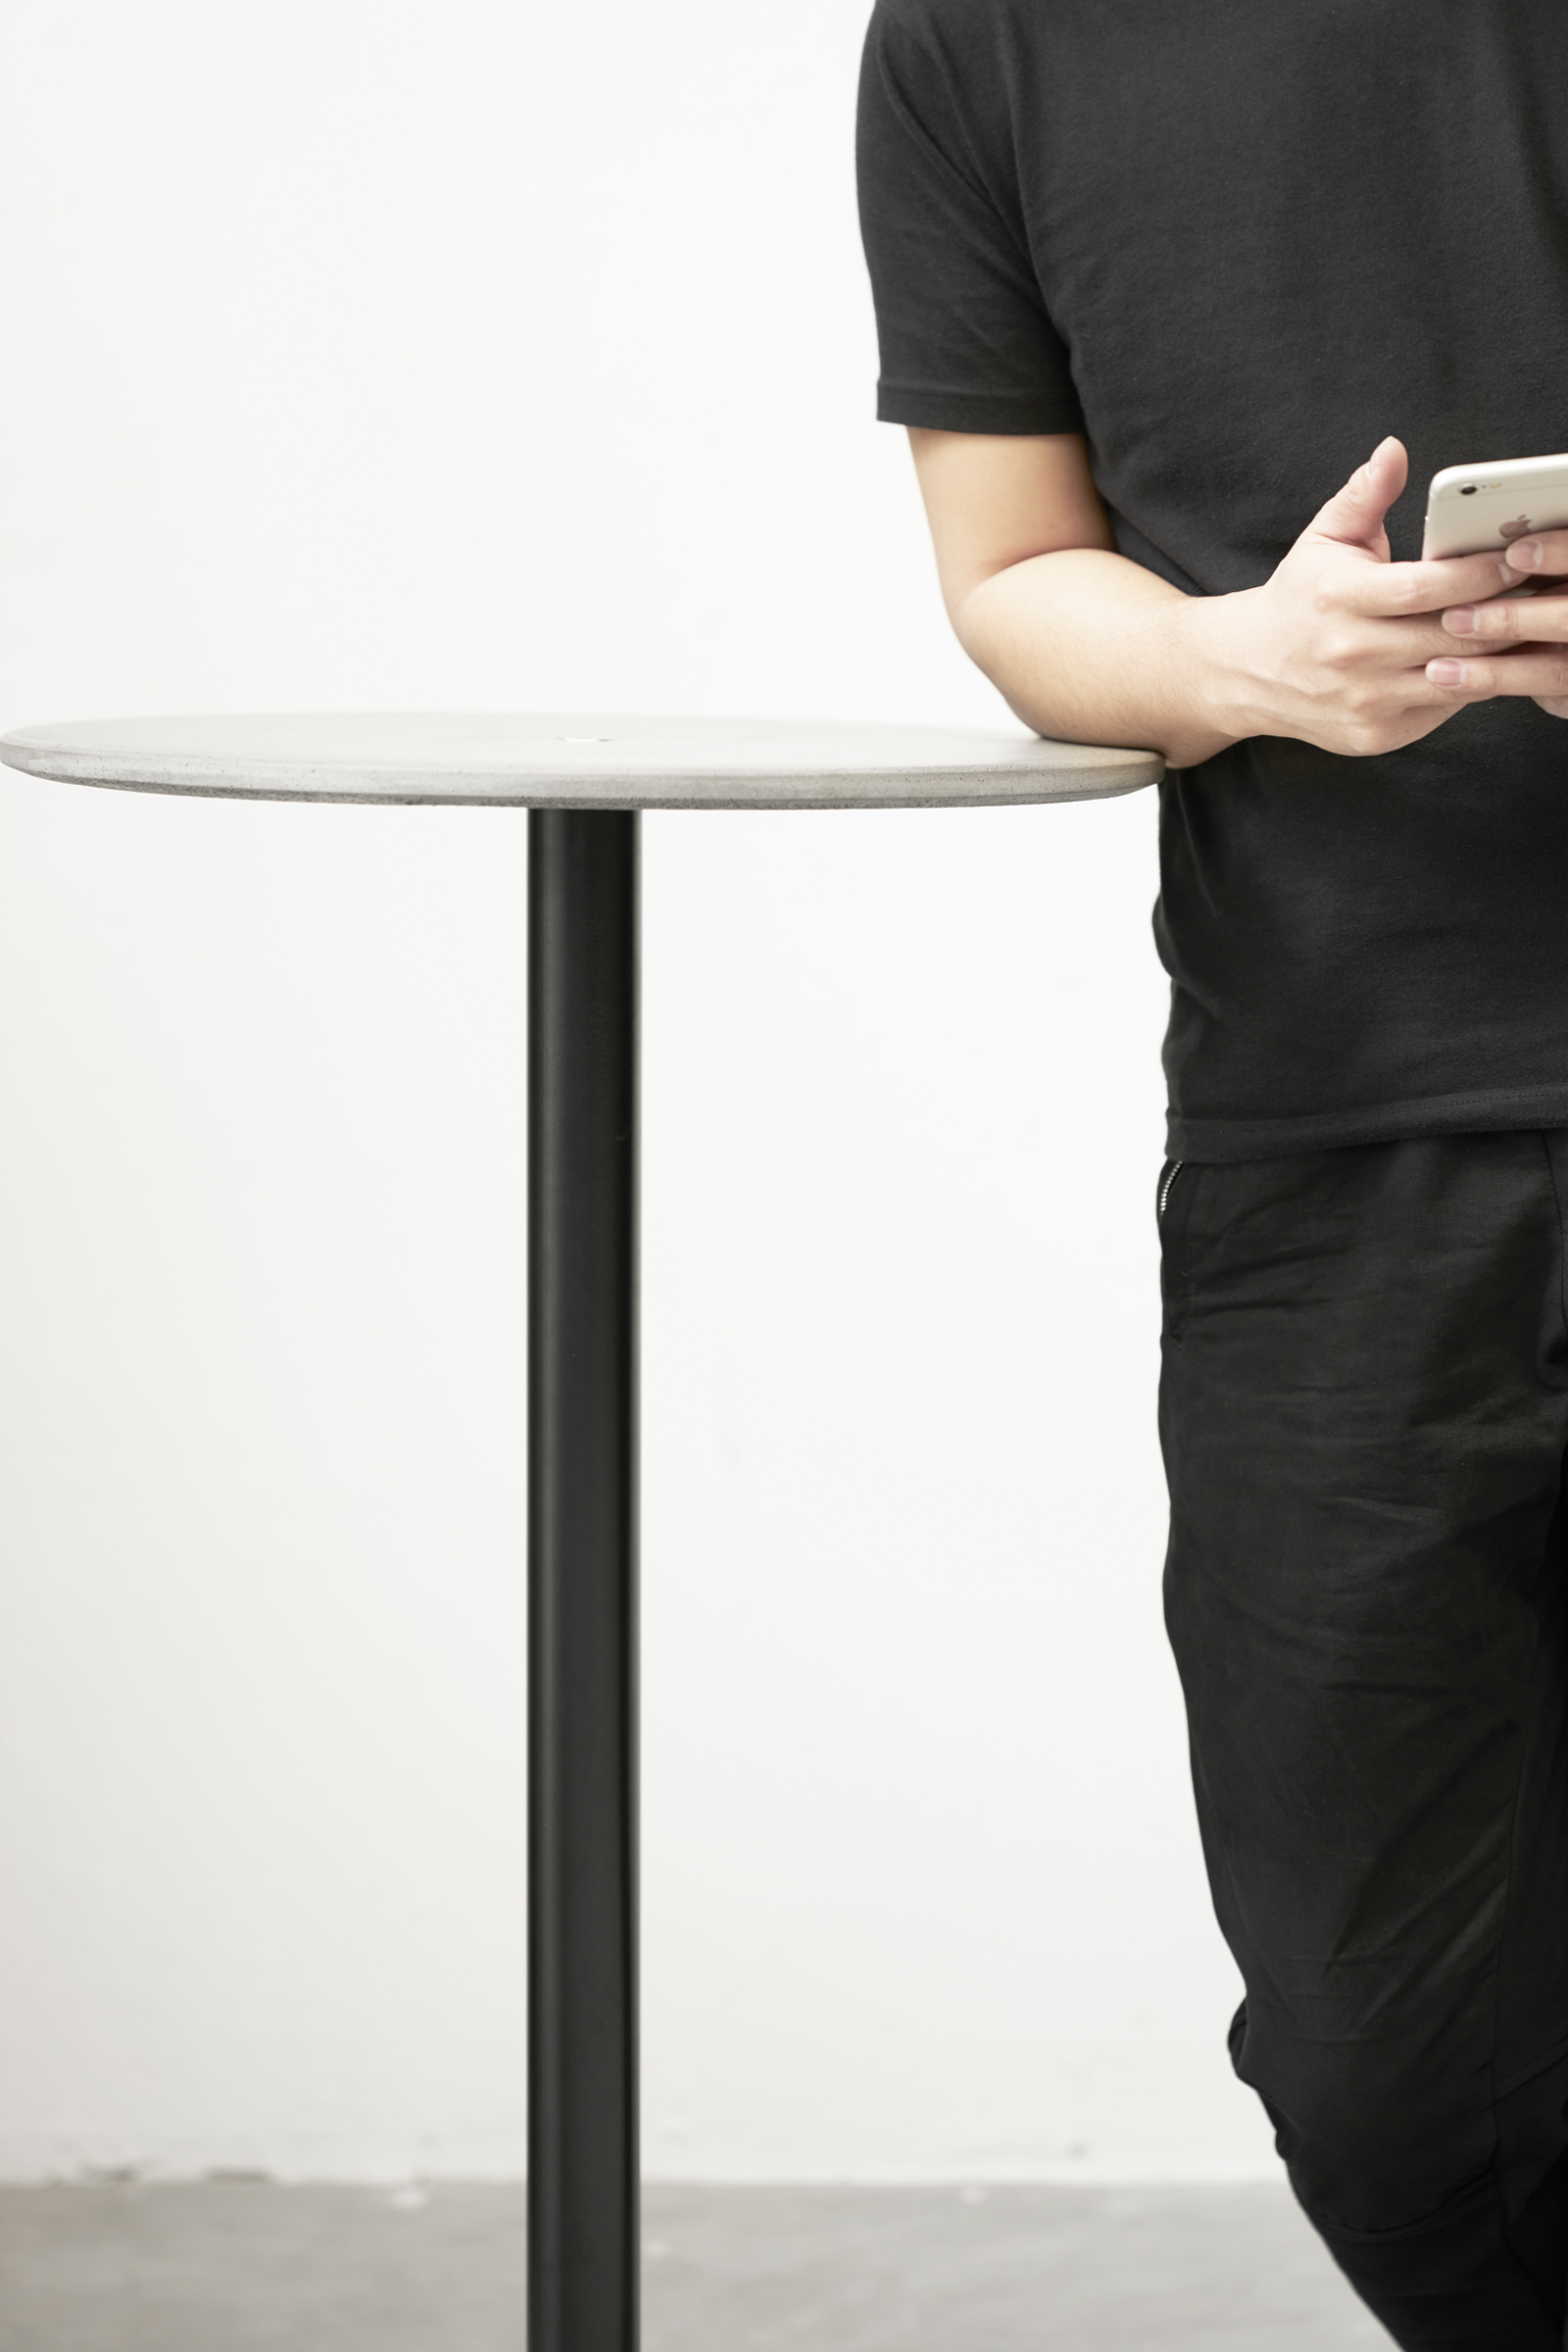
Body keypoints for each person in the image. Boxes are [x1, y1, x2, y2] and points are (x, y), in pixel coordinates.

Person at [856, 7, 1568, 2345]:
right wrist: (1237, 660)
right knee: (1384, 2071)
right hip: (1329, 1127)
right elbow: (1011, 572)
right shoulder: (976, 36)